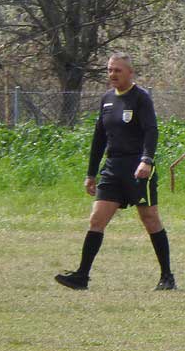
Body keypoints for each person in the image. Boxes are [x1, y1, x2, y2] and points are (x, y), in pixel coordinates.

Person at [54, 52, 176, 291]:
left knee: (149, 219)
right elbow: (99, 138)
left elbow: (151, 131)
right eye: (110, 70)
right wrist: (91, 174)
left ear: (130, 72)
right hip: (112, 168)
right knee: (96, 219)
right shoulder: (107, 99)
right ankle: (81, 276)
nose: (112, 74)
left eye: (117, 70)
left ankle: (167, 276)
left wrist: (146, 160)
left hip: (137, 168)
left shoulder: (141, 98)